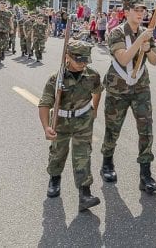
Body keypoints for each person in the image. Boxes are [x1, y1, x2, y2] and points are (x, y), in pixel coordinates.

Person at [99, 0, 156, 193]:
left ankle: (145, 174)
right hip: (118, 89)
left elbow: (154, 61)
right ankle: (107, 162)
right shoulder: (116, 33)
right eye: (137, 10)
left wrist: (148, 47)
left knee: (146, 130)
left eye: (143, 10)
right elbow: (124, 59)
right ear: (126, 12)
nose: (141, 13)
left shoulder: (147, 32)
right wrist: (140, 41)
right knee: (113, 128)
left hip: (140, 87)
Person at [37, 40, 102, 211]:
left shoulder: (92, 75)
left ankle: (84, 193)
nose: (83, 64)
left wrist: (94, 110)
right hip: (61, 121)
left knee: (83, 154)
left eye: (86, 60)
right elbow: (44, 104)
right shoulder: (56, 78)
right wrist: (46, 127)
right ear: (68, 56)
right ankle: (55, 178)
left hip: (83, 119)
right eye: (79, 60)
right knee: (58, 152)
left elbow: (97, 91)